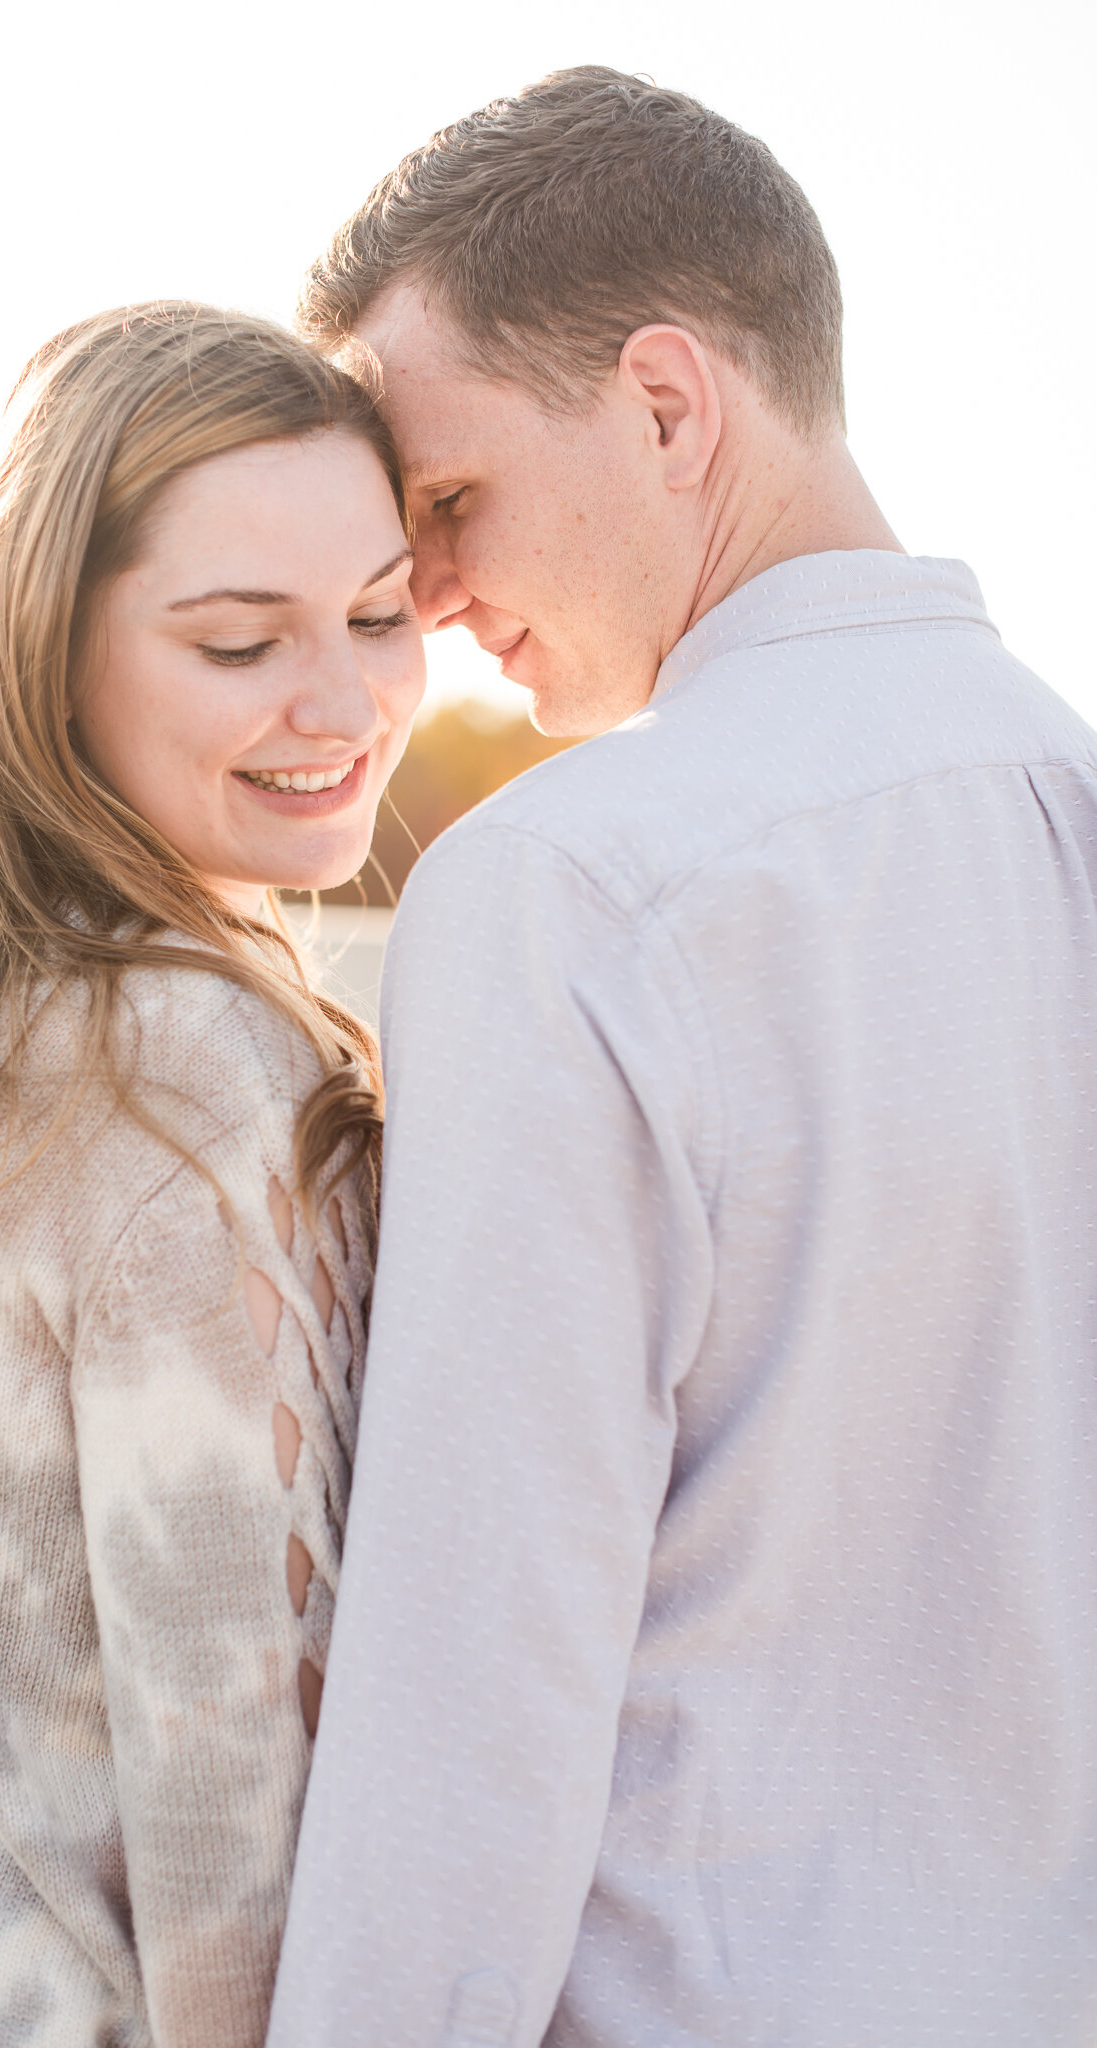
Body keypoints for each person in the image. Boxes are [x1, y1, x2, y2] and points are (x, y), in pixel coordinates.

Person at [267, 67, 1097, 2048]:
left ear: (665, 403)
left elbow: (470, 1707)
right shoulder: (1068, 805)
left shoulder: (572, 883)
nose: (432, 600)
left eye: (447, 501)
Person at [0, 302, 423, 2046]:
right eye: (238, 641)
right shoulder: (186, 1066)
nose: (341, 701)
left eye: (384, 613)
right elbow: (234, 1783)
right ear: (43, 644)